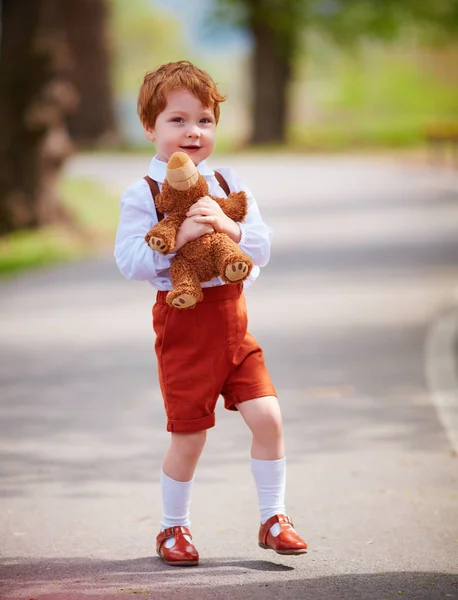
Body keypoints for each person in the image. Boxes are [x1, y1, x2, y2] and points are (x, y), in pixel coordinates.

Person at [114, 60, 307, 567]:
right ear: (150, 128)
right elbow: (130, 260)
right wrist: (179, 238)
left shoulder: (227, 180)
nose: (192, 131)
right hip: (185, 325)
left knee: (268, 417)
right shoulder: (144, 193)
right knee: (190, 435)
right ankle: (172, 529)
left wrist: (228, 224)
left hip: (234, 322)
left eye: (204, 120)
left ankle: (274, 517)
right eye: (177, 120)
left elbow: (262, 247)